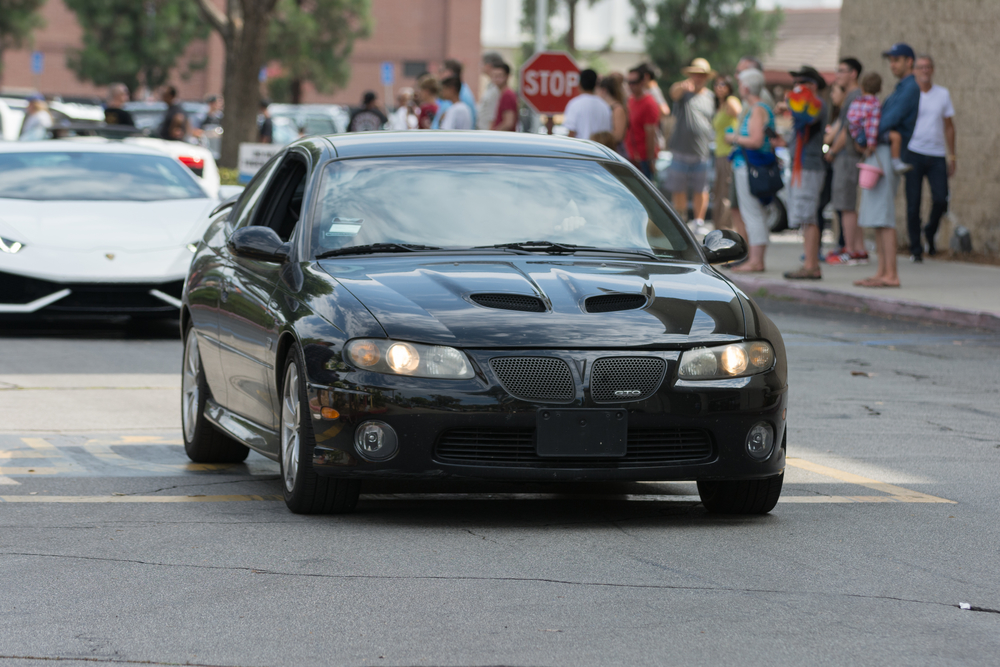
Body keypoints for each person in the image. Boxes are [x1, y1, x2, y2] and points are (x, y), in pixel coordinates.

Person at [855, 43, 920, 288]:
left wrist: (863, 137)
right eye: (891, 60)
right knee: (879, 216)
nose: (893, 64)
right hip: (880, 150)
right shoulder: (901, 87)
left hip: (885, 152)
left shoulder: (910, 87)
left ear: (909, 62)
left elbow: (889, 119)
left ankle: (890, 275)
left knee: (885, 216)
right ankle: (883, 271)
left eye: (897, 60)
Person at [723, 68, 776, 273]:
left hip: (748, 166)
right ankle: (755, 259)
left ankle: (756, 260)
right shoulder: (760, 108)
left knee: (752, 213)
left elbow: (755, 141)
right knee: (754, 212)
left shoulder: (757, 110)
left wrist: (733, 138)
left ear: (745, 87)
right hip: (750, 166)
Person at [904, 55, 956, 260]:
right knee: (913, 203)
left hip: (936, 155)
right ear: (914, 70)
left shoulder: (942, 94)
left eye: (928, 67)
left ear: (932, 70)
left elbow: (950, 127)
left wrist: (952, 156)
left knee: (941, 199)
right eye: (920, 67)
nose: (924, 70)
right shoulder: (909, 95)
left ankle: (930, 231)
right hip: (913, 153)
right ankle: (916, 249)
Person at [782, 65, 829, 280]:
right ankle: (809, 263)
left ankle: (811, 265)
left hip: (809, 167)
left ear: (812, 84)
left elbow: (807, 119)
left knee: (808, 216)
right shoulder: (810, 103)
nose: (796, 88)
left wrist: (795, 99)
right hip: (803, 165)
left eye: (800, 83)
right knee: (805, 217)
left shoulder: (817, 104)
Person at [823, 57, 868, 266]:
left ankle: (850, 250)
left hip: (847, 156)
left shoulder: (855, 95)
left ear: (853, 73)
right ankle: (858, 249)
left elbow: (847, 130)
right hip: (847, 156)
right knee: (849, 204)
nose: (838, 74)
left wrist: (832, 150)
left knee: (846, 204)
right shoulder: (851, 96)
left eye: (842, 70)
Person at [665, 58, 717, 227]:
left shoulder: (710, 97)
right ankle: (681, 219)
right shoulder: (683, 92)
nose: (698, 77)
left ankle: (698, 221)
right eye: (695, 74)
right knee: (678, 188)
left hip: (701, 151)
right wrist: (682, 86)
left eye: (701, 75)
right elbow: (673, 93)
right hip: (680, 149)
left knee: (701, 189)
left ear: (707, 77)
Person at [711, 75, 741, 230]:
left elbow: (741, 117)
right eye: (716, 84)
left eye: (723, 84)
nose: (719, 87)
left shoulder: (731, 101)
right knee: (718, 193)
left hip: (728, 154)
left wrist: (735, 137)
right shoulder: (720, 105)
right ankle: (718, 227)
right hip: (719, 153)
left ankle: (725, 229)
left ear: (729, 86)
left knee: (725, 194)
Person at [625, 67, 661, 179]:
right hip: (630, 157)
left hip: (643, 160)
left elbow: (651, 134)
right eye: (629, 82)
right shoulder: (630, 100)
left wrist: (650, 161)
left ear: (642, 83)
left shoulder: (649, 103)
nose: (631, 85)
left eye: (634, 82)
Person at [563, 69, 611, 141]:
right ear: (595, 84)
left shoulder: (574, 104)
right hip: (600, 150)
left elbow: (571, 134)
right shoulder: (605, 106)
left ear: (579, 84)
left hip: (581, 150)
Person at [432, 59, 477, 129]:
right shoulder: (459, 93)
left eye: (442, 71)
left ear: (450, 72)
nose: (439, 74)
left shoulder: (462, 94)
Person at [597, 73, 629, 155]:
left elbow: (618, 135)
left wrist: (599, 137)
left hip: (615, 153)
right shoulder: (606, 107)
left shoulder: (617, 109)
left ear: (604, 90)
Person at [477, 52, 504, 130]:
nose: (480, 66)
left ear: (488, 66)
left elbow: (493, 117)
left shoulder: (497, 88)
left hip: (487, 133)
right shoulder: (491, 86)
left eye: (481, 64)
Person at [490, 62, 518, 131]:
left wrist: (493, 134)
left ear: (507, 76)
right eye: (494, 75)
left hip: (503, 138)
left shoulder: (507, 95)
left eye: (499, 76)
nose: (496, 79)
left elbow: (508, 123)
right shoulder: (502, 94)